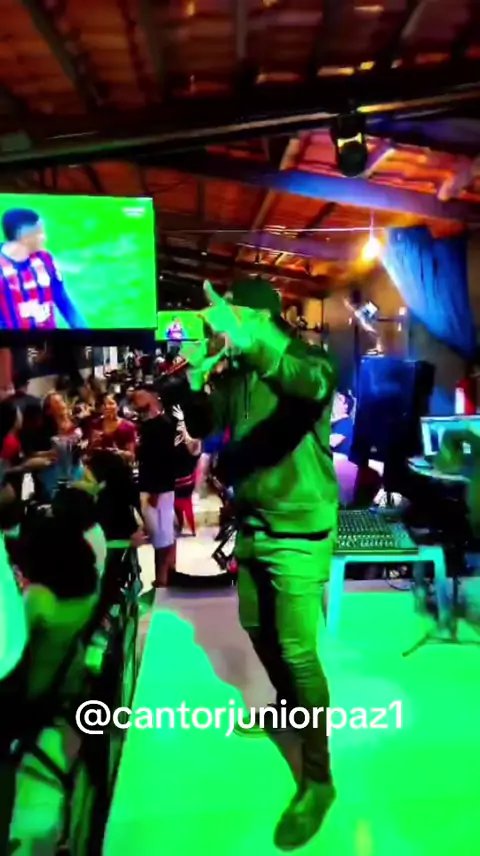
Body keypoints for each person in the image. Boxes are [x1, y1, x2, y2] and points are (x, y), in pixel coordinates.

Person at [182, 279, 338, 851]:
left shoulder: (307, 361)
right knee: (256, 629)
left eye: (237, 317)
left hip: (298, 529)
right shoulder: (240, 371)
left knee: (297, 651)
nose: (226, 327)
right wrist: (197, 383)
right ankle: (289, 710)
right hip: (252, 524)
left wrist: (251, 342)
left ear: (262, 319)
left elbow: (309, 385)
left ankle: (319, 780)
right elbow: (206, 428)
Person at [0, 208, 87, 330]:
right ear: (25, 237)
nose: (44, 238)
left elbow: (63, 300)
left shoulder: (44, 259)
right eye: (39, 233)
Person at [132, 387, 176, 587]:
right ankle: (164, 573)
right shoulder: (148, 425)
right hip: (151, 485)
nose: (136, 403)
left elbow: (164, 460)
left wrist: (156, 491)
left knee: (161, 536)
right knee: (160, 534)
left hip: (158, 488)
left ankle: (163, 576)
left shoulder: (163, 425)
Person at [90, 393, 136, 462]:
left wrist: (118, 453)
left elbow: (131, 457)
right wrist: (94, 444)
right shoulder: (95, 424)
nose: (106, 407)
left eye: (111, 403)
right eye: (104, 404)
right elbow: (89, 452)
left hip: (119, 467)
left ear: (118, 406)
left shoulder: (128, 426)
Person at [330, 391, 355, 457]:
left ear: (346, 406)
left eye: (340, 399)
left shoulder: (346, 423)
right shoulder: (335, 422)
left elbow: (332, 442)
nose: (335, 400)